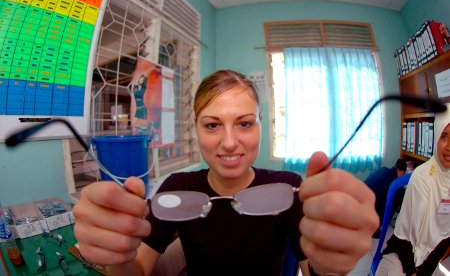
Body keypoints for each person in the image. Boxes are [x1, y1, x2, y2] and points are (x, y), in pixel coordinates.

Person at [73, 70, 379, 275]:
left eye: (244, 123)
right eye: (212, 125)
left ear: (261, 124)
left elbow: (314, 267)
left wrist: (331, 264)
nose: (229, 143)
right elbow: (138, 268)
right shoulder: (178, 189)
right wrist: (117, 254)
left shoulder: (287, 188)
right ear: (196, 129)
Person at [376, 106, 450, 275]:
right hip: (403, 253)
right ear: (436, 137)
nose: (449, 146)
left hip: (431, 257)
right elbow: (404, 237)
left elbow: (446, 236)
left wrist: (425, 269)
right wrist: (413, 272)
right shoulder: (422, 177)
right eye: (444, 136)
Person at [364, 158, 407, 238]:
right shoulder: (393, 182)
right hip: (368, 207)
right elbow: (403, 198)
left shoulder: (383, 169)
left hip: (360, 197)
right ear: (401, 172)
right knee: (396, 198)